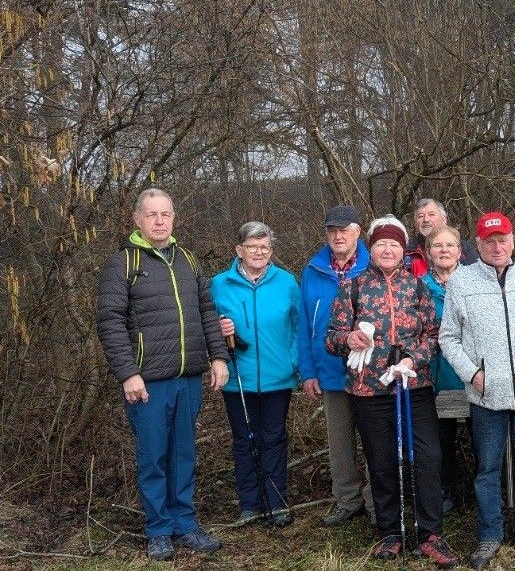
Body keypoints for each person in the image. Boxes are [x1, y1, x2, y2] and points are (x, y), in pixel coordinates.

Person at [96, 188, 228, 561]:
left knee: (183, 454)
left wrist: (218, 357)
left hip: (188, 378)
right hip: (148, 382)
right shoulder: (122, 263)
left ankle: (185, 524)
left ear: (174, 219)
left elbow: (206, 311)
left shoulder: (187, 259)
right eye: (151, 214)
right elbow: (110, 322)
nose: (159, 221)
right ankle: (158, 530)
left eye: (165, 214)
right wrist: (127, 373)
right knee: (153, 457)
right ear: (137, 219)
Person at [324, 216, 458, 567]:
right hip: (369, 389)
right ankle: (389, 531)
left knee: (428, 457)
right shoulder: (352, 288)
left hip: (414, 385)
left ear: (403, 250)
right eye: (381, 243)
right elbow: (332, 336)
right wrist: (348, 338)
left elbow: (435, 334)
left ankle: (430, 533)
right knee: (381, 460)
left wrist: (415, 359)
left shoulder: (417, 287)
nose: (388, 249)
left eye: (394, 244)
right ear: (371, 248)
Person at [439, 211, 515, 570]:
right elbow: (448, 337)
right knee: (488, 468)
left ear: (513, 241)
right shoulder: (461, 282)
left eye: (503, 239)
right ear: (477, 244)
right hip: (486, 394)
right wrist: (472, 374)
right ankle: (489, 533)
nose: (497, 246)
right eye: (489, 241)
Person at [211, 221, 302, 527]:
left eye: (265, 247)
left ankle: (276, 502)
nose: (259, 252)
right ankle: (250, 503)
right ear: (239, 250)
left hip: (279, 376)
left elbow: (299, 326)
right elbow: (207, 327)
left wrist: (294, 362)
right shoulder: (219, 284)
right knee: (245, 440)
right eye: (252, 246)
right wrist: (220, 333)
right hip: (238, 377)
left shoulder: (287, 282)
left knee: (274, 439)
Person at [296, 205, 375, 526]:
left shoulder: (373, 265)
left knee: (373, 438)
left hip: (370, 371)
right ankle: (347, 499)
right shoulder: (312, 270)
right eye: (332, 230)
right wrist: (308, 371)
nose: (338, 236)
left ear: (358, 232)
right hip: (328, 368)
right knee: (340, 441)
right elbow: (304, 323)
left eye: (344, 230)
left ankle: (375, 502)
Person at [421, 224, 470, 514]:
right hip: (435, 377)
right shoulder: (419, 288)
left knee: (483, 439)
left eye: (449, 245)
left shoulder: (474, 284)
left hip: (472, 377)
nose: (444, 251)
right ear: (428, 253)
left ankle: (485, 492)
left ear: (460, 251)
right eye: (437, 246)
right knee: (440, 441)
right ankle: (445, 489)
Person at [405, 198, 477, 276]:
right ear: (415, 223)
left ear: (444, 220)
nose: (426, 219)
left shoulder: (463, 249)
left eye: (431, 215)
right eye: (421, 216)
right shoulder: (408, 252)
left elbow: (476, 277)